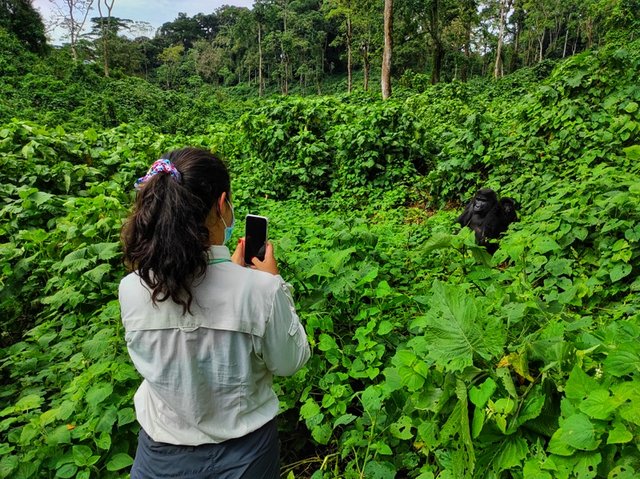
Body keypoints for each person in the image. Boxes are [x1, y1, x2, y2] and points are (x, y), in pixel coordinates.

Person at [119, 147, 310, 479]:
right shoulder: (260, 291)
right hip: (246, 457)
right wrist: (271, 283)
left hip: (159, 457)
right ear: (222, 205)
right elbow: (289, 361)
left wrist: (237, 278)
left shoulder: (132, 288)